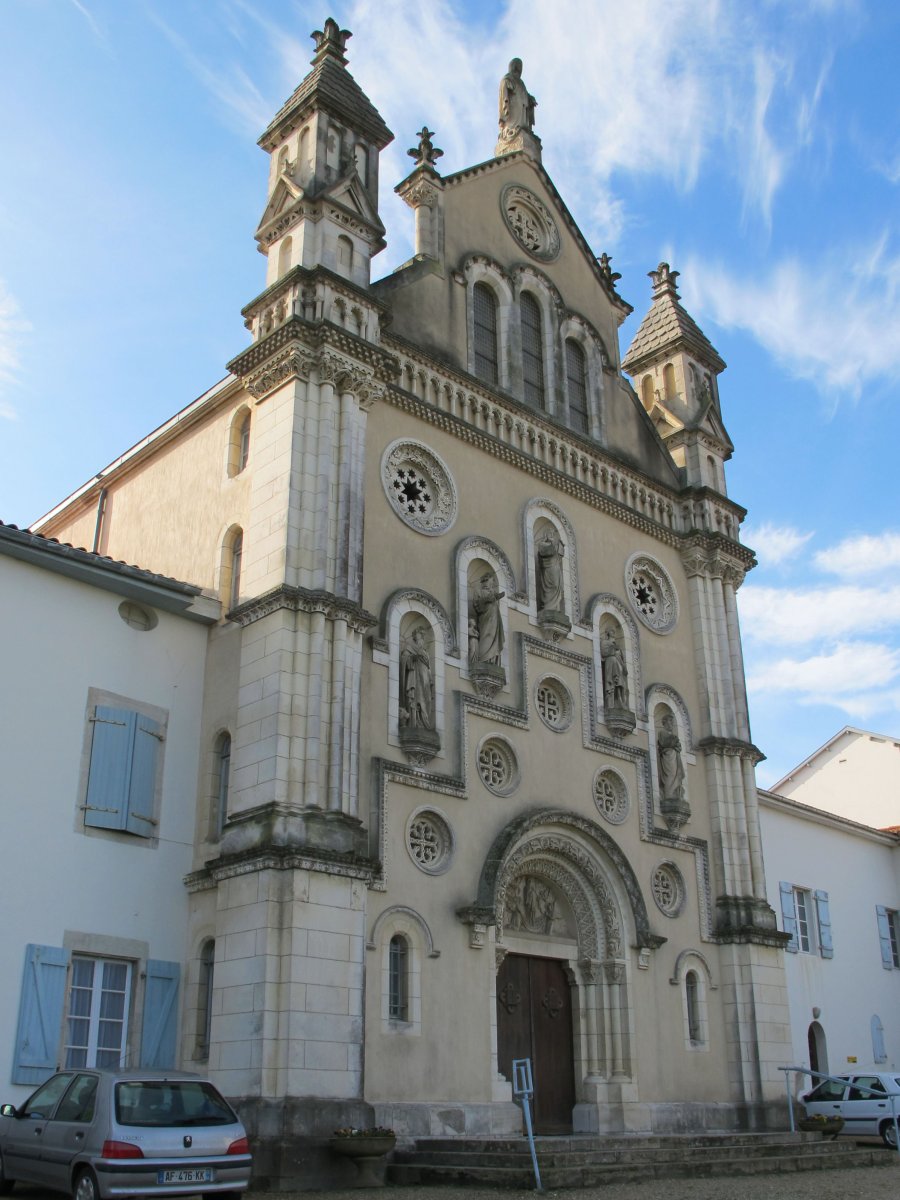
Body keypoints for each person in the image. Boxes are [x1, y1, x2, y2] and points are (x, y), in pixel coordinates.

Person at [399, 626, 434, 729]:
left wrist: (430, 680)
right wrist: (412, 658)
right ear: (415, 637)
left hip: (425, 678)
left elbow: (429, 668)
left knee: (427, 699)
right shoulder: (410, 647)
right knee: (417, 699)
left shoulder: (426, 652)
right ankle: (416, 722)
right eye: (419, 636)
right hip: (415, 676)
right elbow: (403, 659)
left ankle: (425, 721)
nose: (421, 639)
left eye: (422, 637)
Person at [498, 58, 536, 141]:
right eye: (518, 66)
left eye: (520, 67)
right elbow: (504, 88)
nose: (520, 69)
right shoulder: (508, 78)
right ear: (513, 66)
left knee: (522, 123)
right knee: (513, 124)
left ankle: (522, 130)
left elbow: (525, 93)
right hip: (514, 104)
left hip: (522, 106)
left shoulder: (521, 82)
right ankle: (511, 132)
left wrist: (530, 98)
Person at [471, 573, 505, 664]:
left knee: (493, 636)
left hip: (494, 618)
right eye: (492, 581)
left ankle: (492, 659)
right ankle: (483, 659)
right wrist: (487, 599)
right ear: (486, 580)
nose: (492, 583)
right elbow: (476, 605)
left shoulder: (493, 591)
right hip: (485, 618)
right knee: (486, 635)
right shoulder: (478, 591)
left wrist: (496, 596)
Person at [657, 713, 686, 801]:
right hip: (668, 757)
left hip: (674, 756)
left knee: (676, 775)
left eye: (672, 722)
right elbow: (664, 743)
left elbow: (678, 745)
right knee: (670, 775)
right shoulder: (662, 732)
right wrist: (674, 740)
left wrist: (674, 741)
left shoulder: (671, 735)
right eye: (670, 721)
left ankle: (675, 794)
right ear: (665, 722)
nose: (671, 724)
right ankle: (669, 795)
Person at [536, 529, 564, 612]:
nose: (551, 535)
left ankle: (556, 607)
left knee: (557, 586)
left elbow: (559, 554)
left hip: (556, 567)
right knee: (553, 585)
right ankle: (548, 606)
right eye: (549, 533)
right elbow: (546, 552)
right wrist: (553, 544)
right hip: (548, 568)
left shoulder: (554, 544)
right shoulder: (542, 544)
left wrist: (560, 546)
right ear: (546, 535)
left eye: (552, 534)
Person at [600, 628, 628, 710]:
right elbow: (604, 653)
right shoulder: (604, 642)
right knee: (612, 683)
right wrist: (613, 648)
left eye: (614, 632)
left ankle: (620, 701)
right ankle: (610, 703)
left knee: (620, 683)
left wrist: (624, 667)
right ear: (607, 633)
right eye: (611, 631)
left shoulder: (617, 645)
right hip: (611, 663)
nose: (613, 632)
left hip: (619, 666)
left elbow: (621, 658)